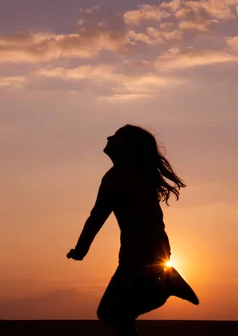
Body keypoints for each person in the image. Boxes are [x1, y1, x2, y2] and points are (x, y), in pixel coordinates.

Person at [67, 124, 198, 336]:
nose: (109, 137)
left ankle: (166, 287)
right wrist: (81, 249)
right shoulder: (115, 177)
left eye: (116, 136)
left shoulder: (129, 177)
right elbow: (97, 216)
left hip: (144, 256)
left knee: (110, 313)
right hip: (133, 255)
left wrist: (82, 249)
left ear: (127, 147)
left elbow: (148, 221)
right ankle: (165, 287)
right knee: (120, 316)